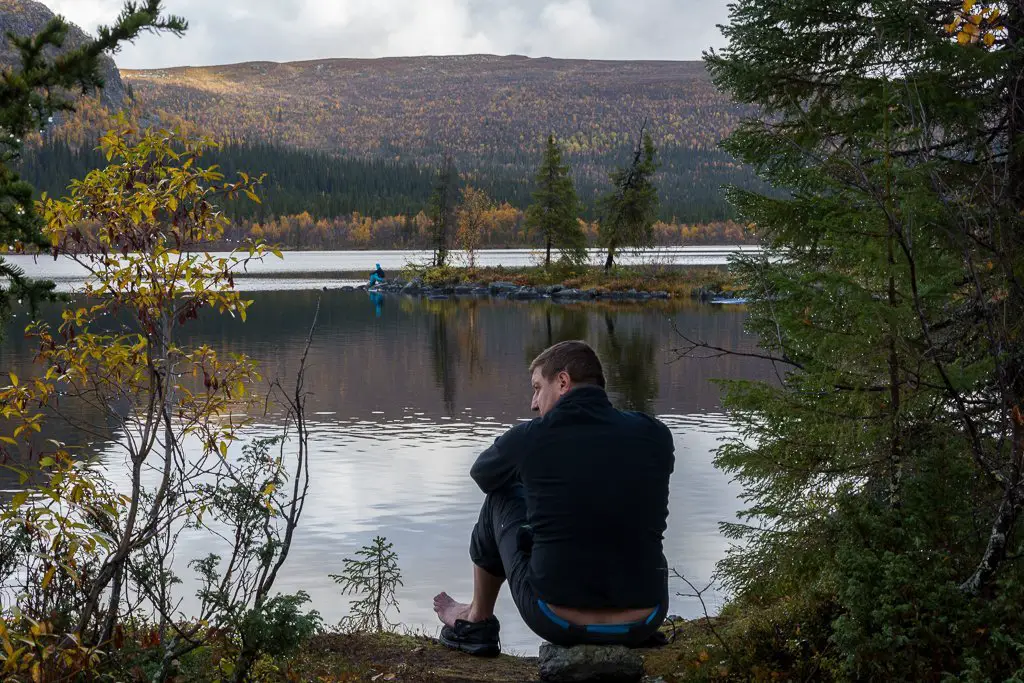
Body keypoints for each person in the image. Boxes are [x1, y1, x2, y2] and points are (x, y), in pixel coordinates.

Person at [432, 340, 675, 656]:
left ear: (562, 382)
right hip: (647, 617)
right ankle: (622, 626)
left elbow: (484, 475)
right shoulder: (654, 434)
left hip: (556, 619)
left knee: (501, 497)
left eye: (537, 388)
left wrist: (530, 473)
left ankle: (476, 621)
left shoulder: (532, 437)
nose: (533, 403)